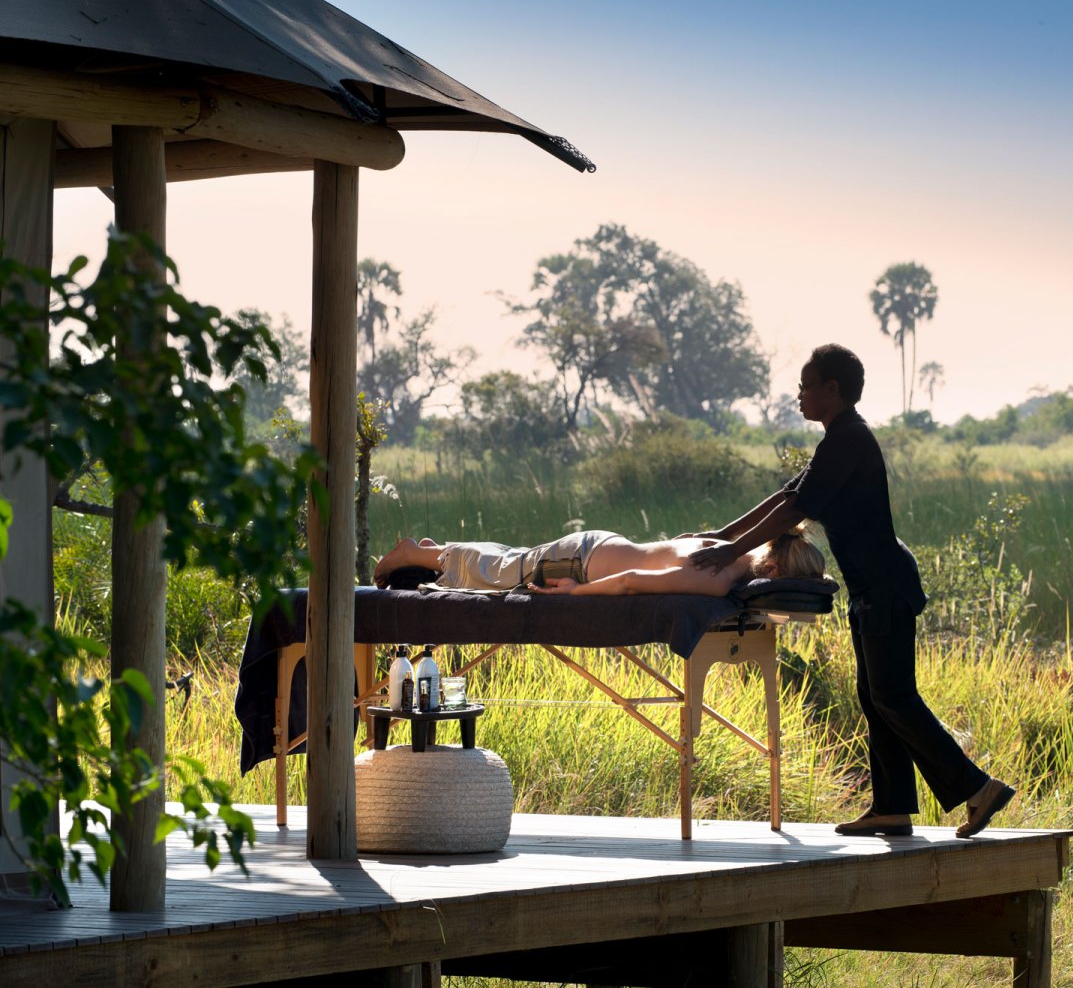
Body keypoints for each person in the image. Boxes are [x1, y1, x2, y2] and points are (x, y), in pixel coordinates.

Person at [686, 343, 1015, 839]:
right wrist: (722, 538)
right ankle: (892, 808)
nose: (798, 395)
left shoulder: (850, 440)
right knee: (874, 696)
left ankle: (978, 789)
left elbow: (793, 514)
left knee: (894, 696)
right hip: (870, 590)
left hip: (885, 587)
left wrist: (729, 553)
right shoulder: (837, 439)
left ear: (831, 390)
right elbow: (786, 498)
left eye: (805, 385)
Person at [373, 523, 824, 596]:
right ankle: (414, 554)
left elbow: (680, 539)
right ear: (777, 573)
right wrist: (579, 594)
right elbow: (631, 582)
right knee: (500, 575)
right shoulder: (721, 578)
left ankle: (432, 551)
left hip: (599, 546)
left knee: (514, 560)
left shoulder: (728, 548)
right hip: (582, 565)